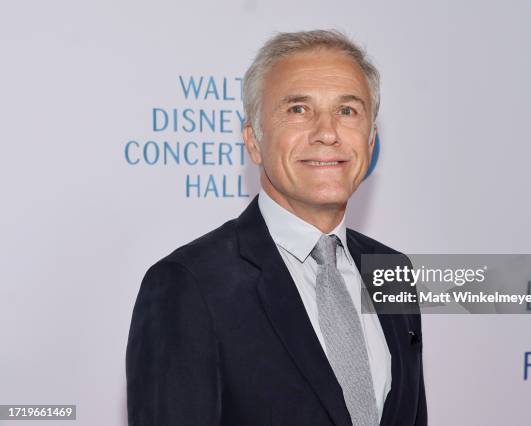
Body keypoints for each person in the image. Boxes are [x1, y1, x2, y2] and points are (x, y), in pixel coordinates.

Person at [126, 29, 426, 426]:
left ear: (370, 142)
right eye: (298, 109)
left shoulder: (391, 269)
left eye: (348, 111)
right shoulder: (188, 284)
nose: (327, 132)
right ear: (253, 141)